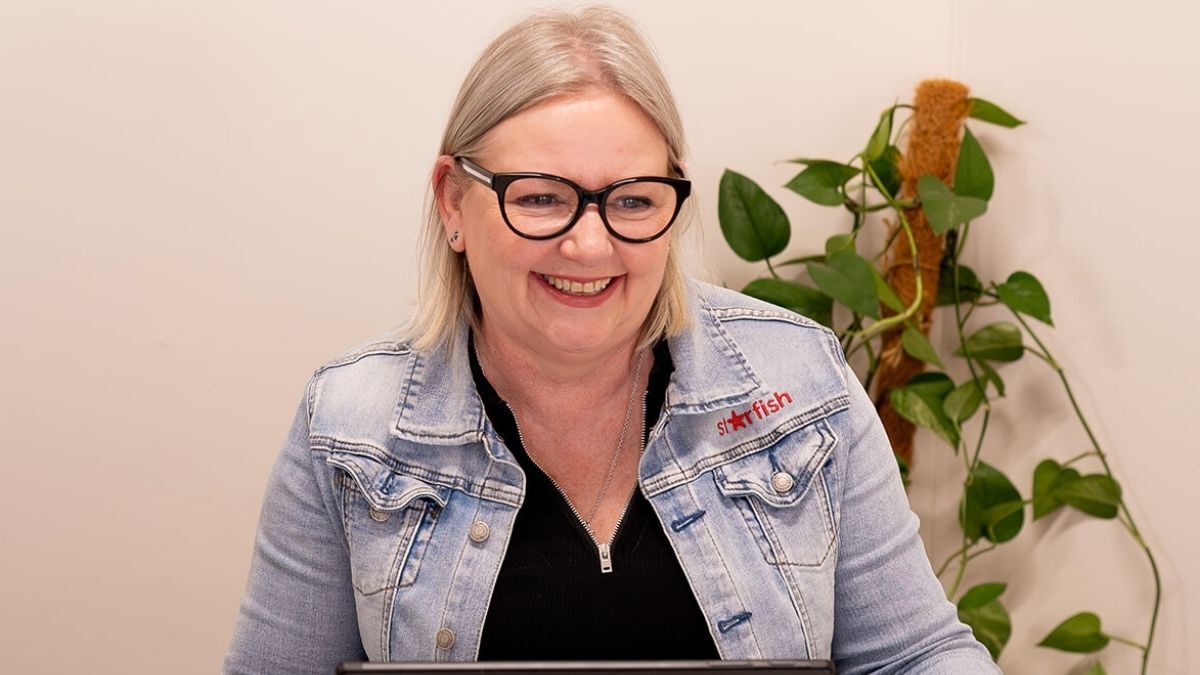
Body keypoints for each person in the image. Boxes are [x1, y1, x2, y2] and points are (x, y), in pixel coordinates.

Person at [224, 6, 999, 674]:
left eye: (631, 200)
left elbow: (916, 653)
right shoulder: (349, 425)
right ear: (453, 202)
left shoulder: (795, 383)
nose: (589, 246)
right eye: (540, 197)